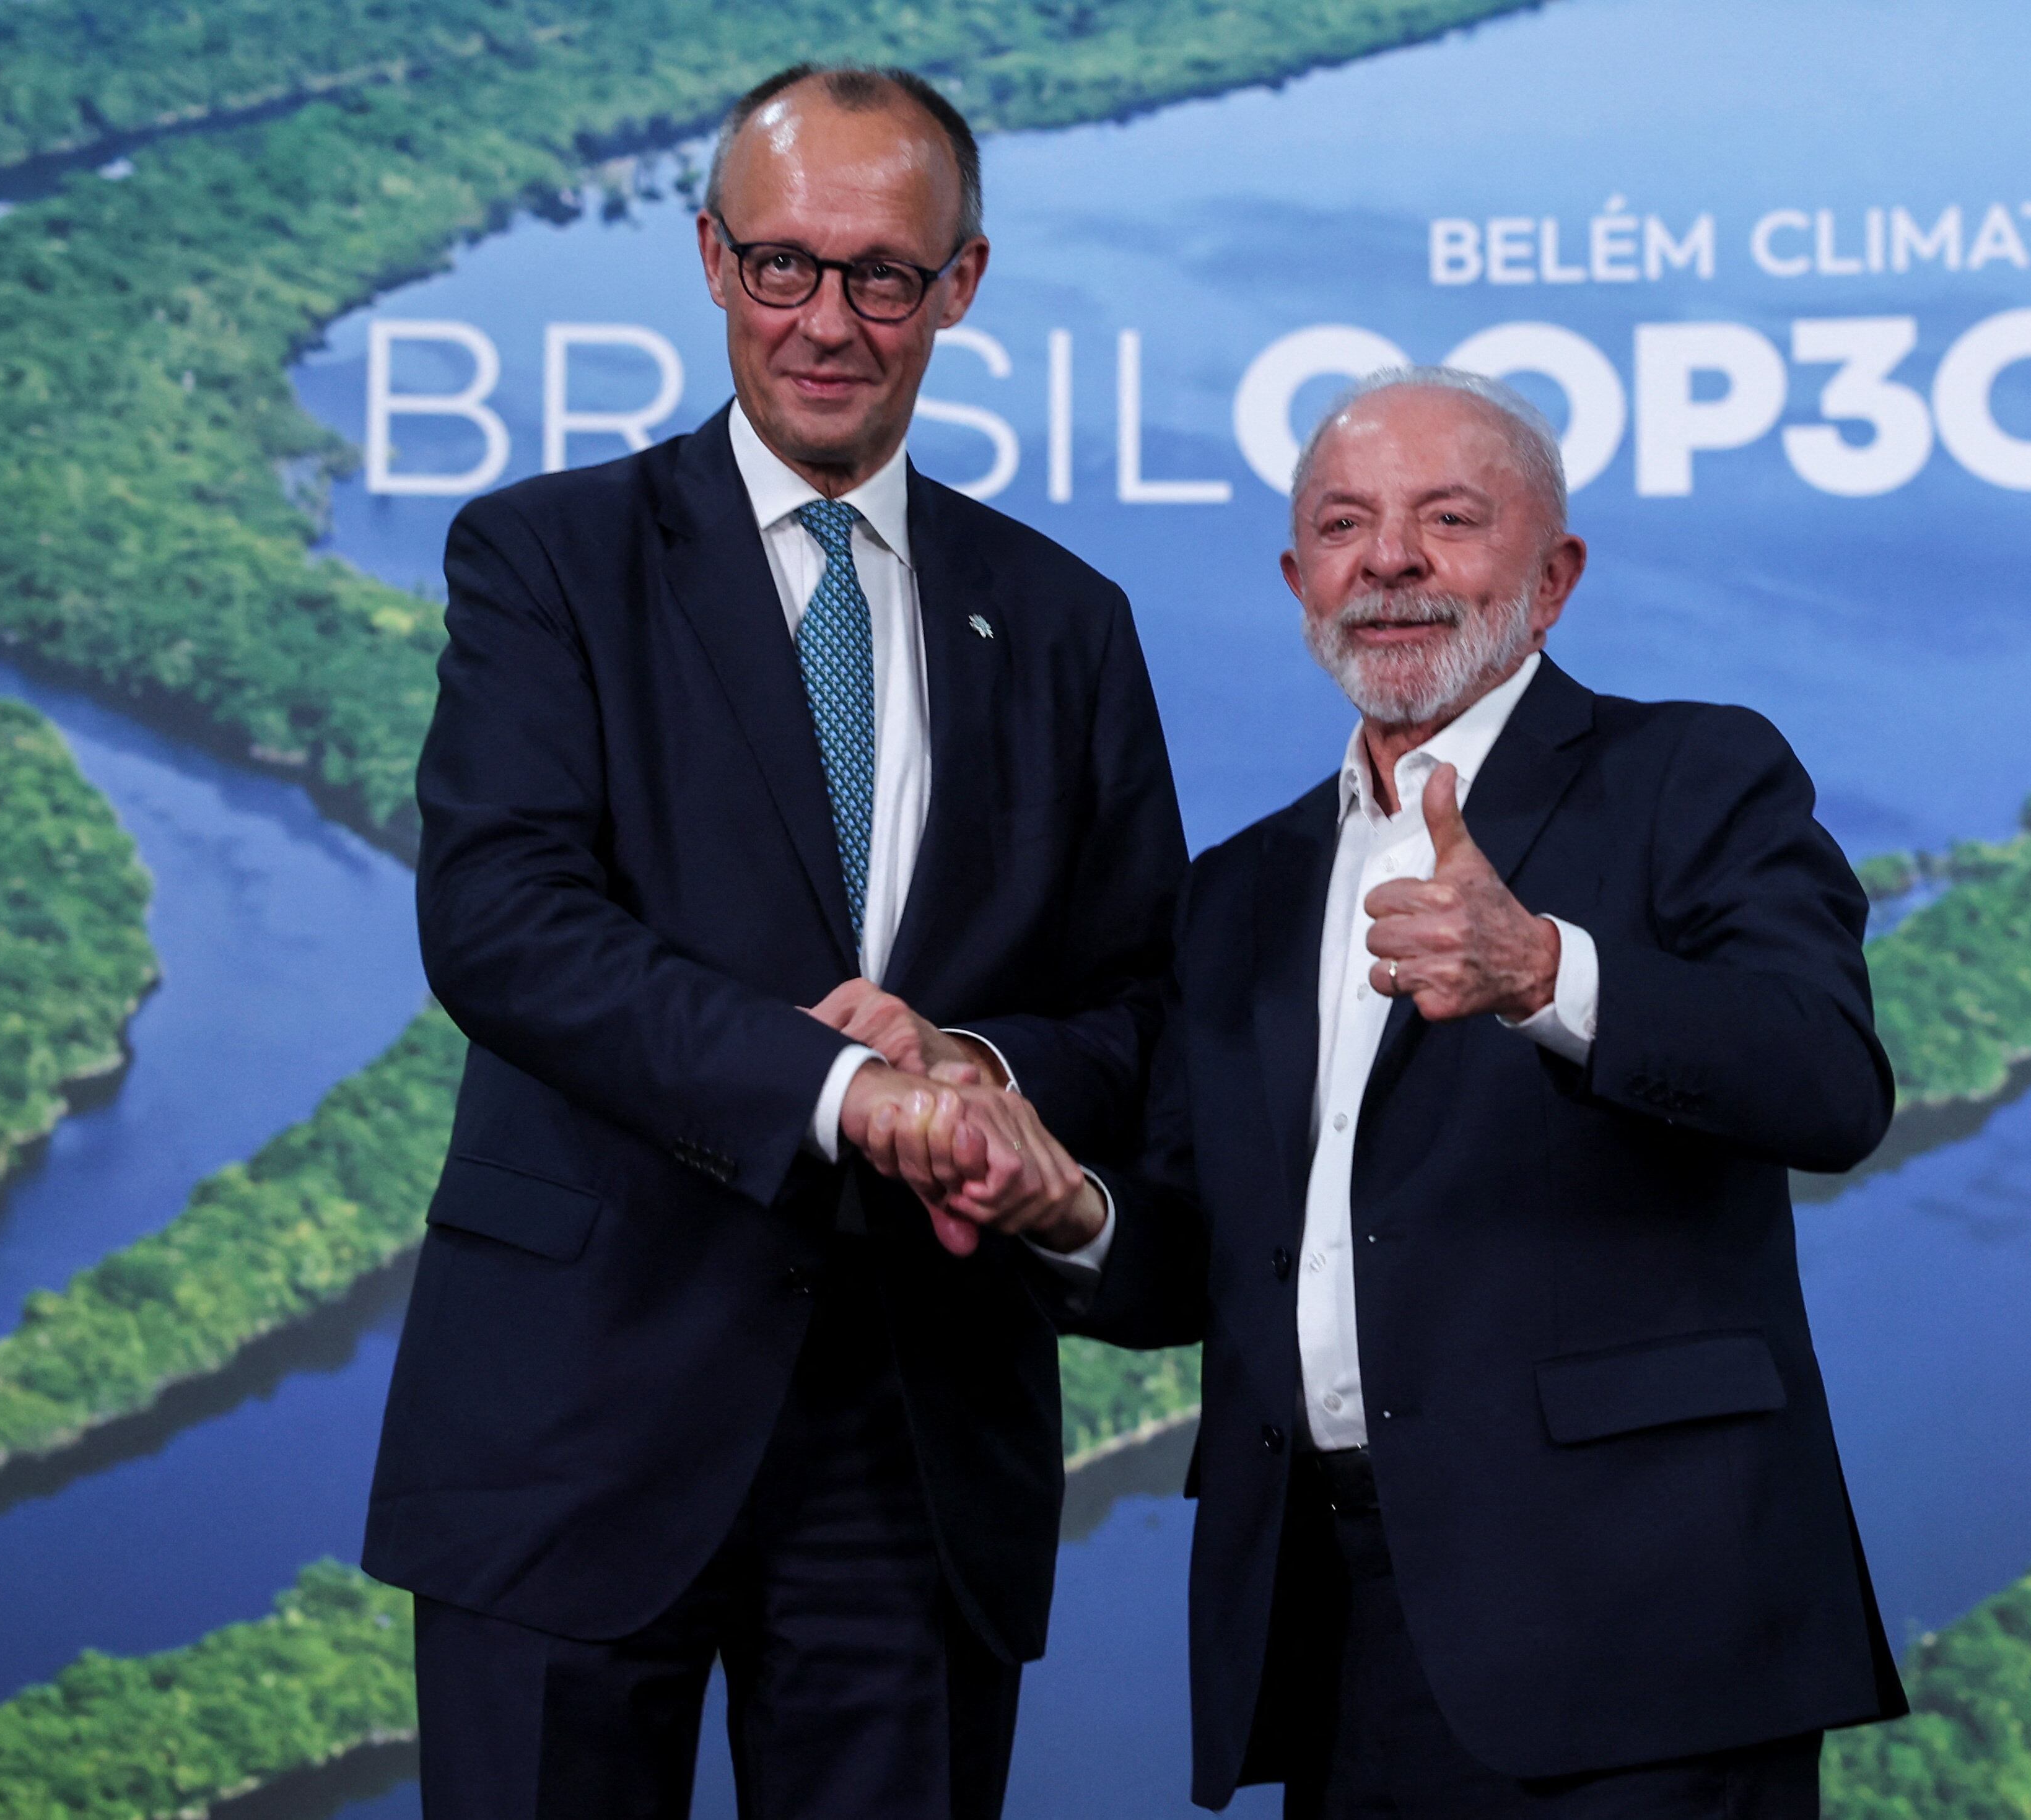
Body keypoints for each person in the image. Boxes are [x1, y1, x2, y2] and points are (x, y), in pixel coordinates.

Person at [362, 62, 1184, 1820]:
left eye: (881, 274)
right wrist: (844, 1092)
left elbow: (1145, 1011)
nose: (826, 320)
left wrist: (979, 1068)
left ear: (960, 284)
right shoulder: (548, 559)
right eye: (782, 264)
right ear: (711, 260)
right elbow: (501, 924)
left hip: (916, 1444)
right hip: (572, 1424)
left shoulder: (1065, 624)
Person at [932, 367, 1905, 1814]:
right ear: (1297, 583)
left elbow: (1826, 1080)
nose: (1386, 560)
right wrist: (1063, 1207)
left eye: (1447, 518)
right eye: (1341, 525)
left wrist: (1546, 972)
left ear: (1553, 576)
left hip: (1640, 1629)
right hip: (1337, 1635)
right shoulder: (1238, 893)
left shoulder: (1691, 774)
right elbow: (1211, 1257)